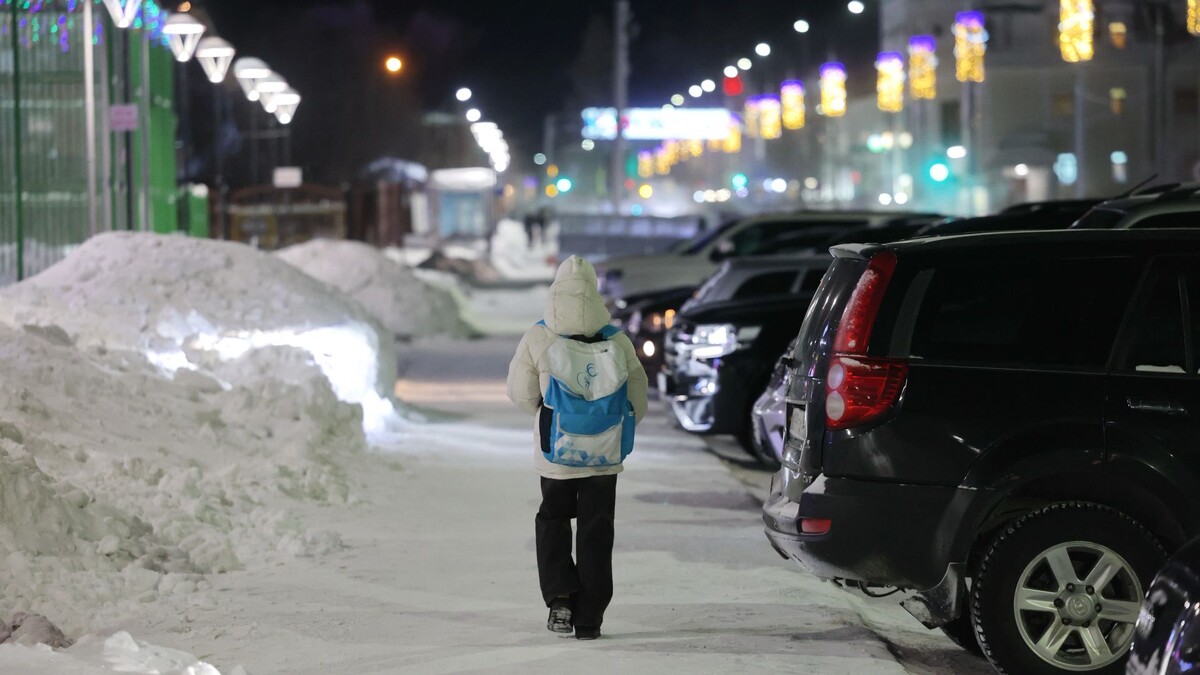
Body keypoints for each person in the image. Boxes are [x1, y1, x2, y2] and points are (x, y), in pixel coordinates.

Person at [506, 256, 648, 640]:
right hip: (604, 456)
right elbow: (638, 397)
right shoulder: (616, 339)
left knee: (553, 519)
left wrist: (549, 412)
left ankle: (560, 598)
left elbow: (520, 394)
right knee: (596, 529)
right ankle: (590, 618)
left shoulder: (538, 336)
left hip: (556, 453)